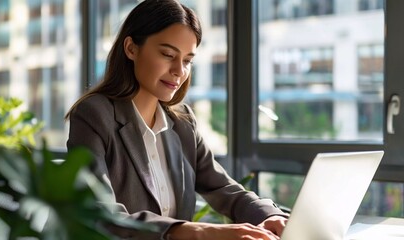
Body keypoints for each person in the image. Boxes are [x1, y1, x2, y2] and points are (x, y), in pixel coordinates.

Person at [66, 0, 288, 239]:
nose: (179, 71)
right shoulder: (94, 114)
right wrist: (201, 231)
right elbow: (100, 213)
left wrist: (267, 215)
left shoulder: (183, 122)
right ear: (131, 48)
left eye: (187, 60)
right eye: (168, 54)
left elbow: (221, 187)